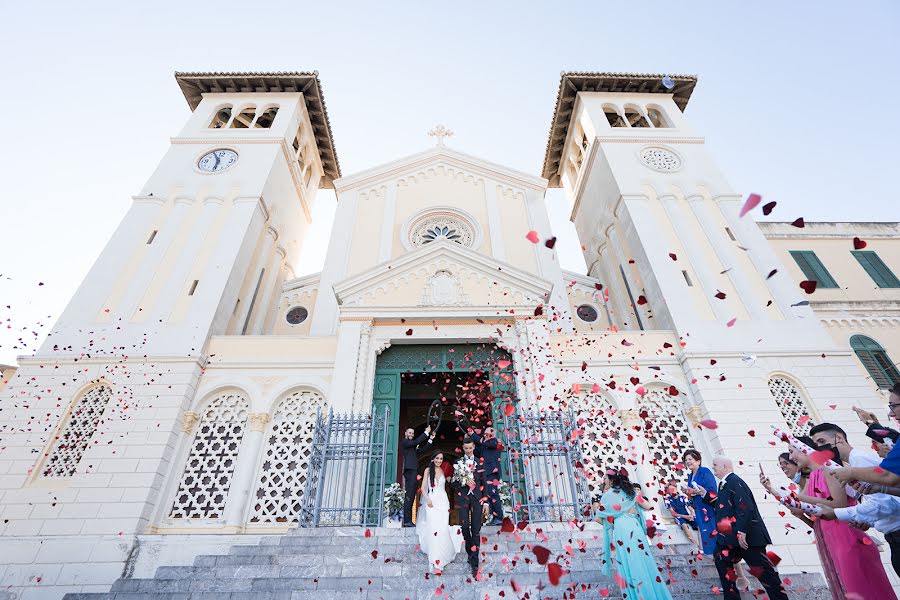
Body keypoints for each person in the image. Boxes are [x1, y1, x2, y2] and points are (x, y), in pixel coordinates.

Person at [785, 437, 895, 599]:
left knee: (864, 591)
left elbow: (838, 504)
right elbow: (819, 519)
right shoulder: (813, 477)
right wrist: (799, 510)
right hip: (832, 541)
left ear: (805, 448)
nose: (791, 457)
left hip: (848, 538)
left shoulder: (828, 468)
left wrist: (801, 500)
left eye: (791, 451)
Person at [694, 456, 788, 600]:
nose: (713, 468)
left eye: (715, 465)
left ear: (725, 466)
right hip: (732, 539)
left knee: (765, 574)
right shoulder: (724, 484)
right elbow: (722, 505)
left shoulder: (735, 481)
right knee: (721, 558)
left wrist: (741, 531)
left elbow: (746, 508)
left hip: (748, 538)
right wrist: (704, 494)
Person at [594, 469, 672, 600]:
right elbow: (648, 506)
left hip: (621, 527)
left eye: (605, 478)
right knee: (643, 560)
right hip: (634, 526)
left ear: (612, 480)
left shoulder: (607, 496)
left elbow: (598, 518)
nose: (604, 481)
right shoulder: (631, 492)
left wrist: (612, 523)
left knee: (628, 562)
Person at [416, 451, 463, 573]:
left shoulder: (444, 470)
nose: (439, 460)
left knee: (442, 529)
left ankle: (443, 556)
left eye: (441, 458)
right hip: (431, 502)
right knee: (433, 529)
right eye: (437, 458)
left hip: (443, 503)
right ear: (433, 459)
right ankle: (436, 562)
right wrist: (427, 499)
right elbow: (423, 487)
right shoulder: (427, 470)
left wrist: (457, 476)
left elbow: (451, 483)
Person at [452, 437, 488, 575]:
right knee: (465, 527)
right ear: (463, 448)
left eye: (470, 448)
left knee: (476, 529)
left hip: (477, 498)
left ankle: (475, 562)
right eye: (466, 448)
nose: (468, 450)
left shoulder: (480, 462)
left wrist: (485, 501)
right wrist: (461, 480)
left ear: (473, 447)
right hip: (463, 498)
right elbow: (453, 484)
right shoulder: (458, 463)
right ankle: (470, 551)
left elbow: (484, 482)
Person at [682, 449, 716, 555]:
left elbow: (712, 491)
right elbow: (692, 498)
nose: (688, 461)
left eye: (690, 459)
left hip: (708, 508)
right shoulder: (690, 476)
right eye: (686, 460)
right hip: (698, 509)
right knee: (705, 533)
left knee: (713, 534)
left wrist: (697, 492)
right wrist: (688, 493)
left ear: (698, 461)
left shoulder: (705, 472)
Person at [470, 426, 504, 525]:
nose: (485, 435)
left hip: (492, 473)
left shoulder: (495, 442)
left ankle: (499, 517)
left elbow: (484, 442)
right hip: (485, 472)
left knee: (492, 493)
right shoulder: (485, 446)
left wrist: (473, 434)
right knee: (488, 495)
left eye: (487, 433)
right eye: (484, 433)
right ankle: (494, 516)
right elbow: (477, 452)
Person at [401, 425, 434, 527]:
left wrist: (430, 440)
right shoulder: (405, 442)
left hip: (414, 471)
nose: (411, 434)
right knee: (409, 496)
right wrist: (426, 433)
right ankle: (407, 521)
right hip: (410, 471)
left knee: (411, 496)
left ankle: (409, 520)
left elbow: (422, 450)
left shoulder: (412, 446)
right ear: (406, 434)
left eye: (412, 433)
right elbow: (416, 442)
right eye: (409, 432)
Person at [663, 480, 698, 548]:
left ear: (676, 489)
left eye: (672, 489)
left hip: (686, 514)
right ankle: (694, 544)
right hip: (679, 516)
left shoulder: (683, 497)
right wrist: (685, 516)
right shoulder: (667, 499)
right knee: (684, 525)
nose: (671, 491)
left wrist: (691, 514)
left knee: (698, 524)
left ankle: (701, 545)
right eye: (669, 489)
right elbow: (673, 513)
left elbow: (690, 507)